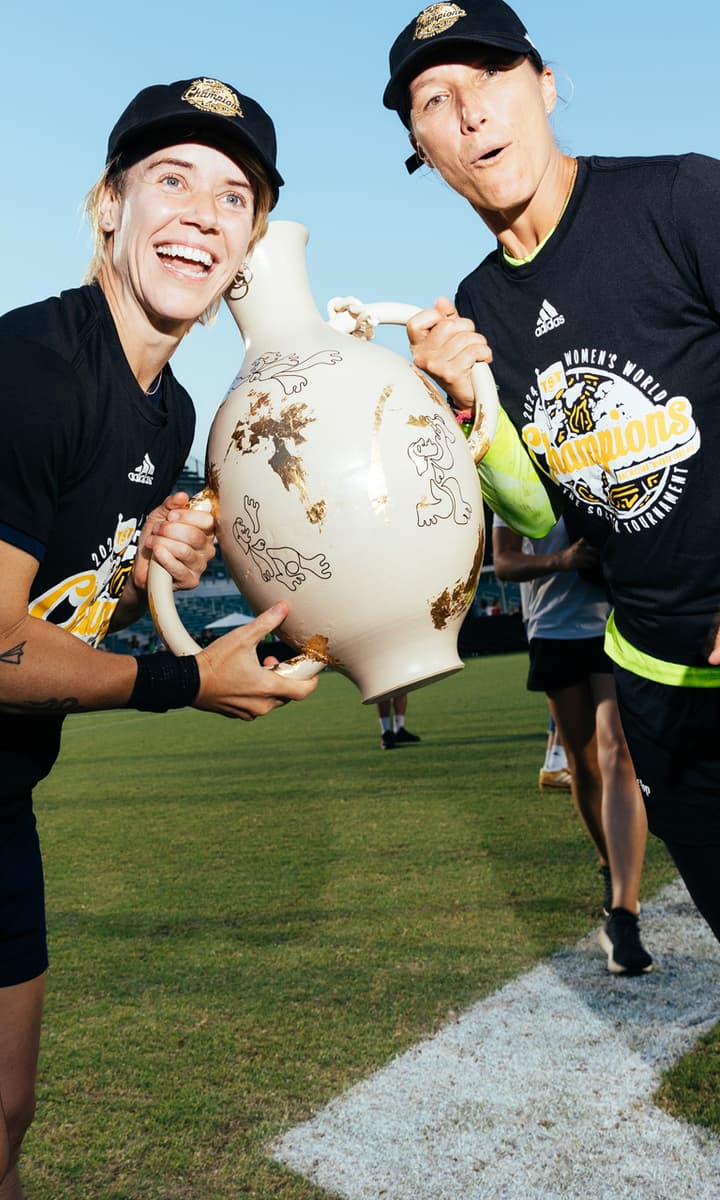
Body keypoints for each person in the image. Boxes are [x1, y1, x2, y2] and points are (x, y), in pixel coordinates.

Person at [0, 77, 318, 1200]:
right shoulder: (32, 370)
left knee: (2, 1118)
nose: (200, 210)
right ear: (108, 205)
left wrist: (135, 559)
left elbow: (57, 567)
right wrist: (178, 679)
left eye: (231, 196)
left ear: (248, 246)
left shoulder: (168, 410)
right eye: (170, 180)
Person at [382, 1, 720, 943]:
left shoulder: (680, 197)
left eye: (490, 77)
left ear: (545, 83)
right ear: (423, 148)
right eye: (436, 100)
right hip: (656, 681)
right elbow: (542, 501)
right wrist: (468, 410)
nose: (471, 112)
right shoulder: (483, 305)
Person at [493, 515, 652, 973]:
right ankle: (609, 863)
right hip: (553, 628)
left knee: (618, 749)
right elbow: (503, 563)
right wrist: (563, 560)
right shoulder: (523, 476)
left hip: (615, 620)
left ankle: (624, 914)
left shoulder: (608, 456)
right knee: (584, 766)